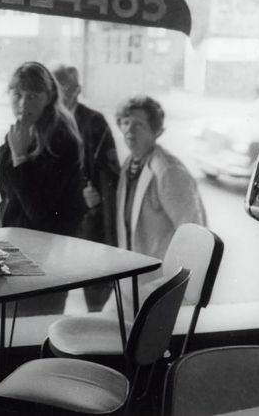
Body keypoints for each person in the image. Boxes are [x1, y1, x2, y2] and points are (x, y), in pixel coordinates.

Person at [0, 61, 85, 315]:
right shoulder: (21, 131)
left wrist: (21, 157)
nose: (24, 103)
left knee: (32, 324)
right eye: (18, 95)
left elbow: (38, 209)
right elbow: (9, 195)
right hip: (18, 247)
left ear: (49, 97)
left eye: (33, 96)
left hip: (47, 254)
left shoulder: (60, 138)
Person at [115, 95, 206, 311]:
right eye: (126, 122)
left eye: (138, 124)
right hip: (131, 284)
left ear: (156, 131)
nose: (130, 130)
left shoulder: (169, 171)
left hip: (157, 287)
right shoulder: (131, 162)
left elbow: (195, 234)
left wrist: (168, 286)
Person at [52, 63, 120, 311]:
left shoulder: (94, 122)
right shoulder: (47, 122)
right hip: (57, 222)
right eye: (54, 88)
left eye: (64, 88)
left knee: (95, 289)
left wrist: (98, 200)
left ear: (78, 90)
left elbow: (111, 174)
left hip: (89, 221)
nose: (59, 95)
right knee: (55, 291)